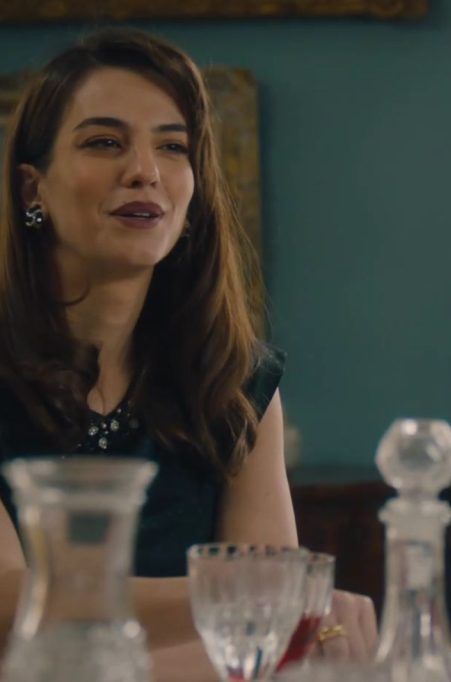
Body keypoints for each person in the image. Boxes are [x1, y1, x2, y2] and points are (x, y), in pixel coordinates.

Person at [0, 29, 376, 680]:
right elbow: (12, 607)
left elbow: (262, 641)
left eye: (172, 147)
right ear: (32, 189)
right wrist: (255, 594)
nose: (144, 171)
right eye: (104, 142)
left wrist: (278, 605)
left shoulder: (236, 380)